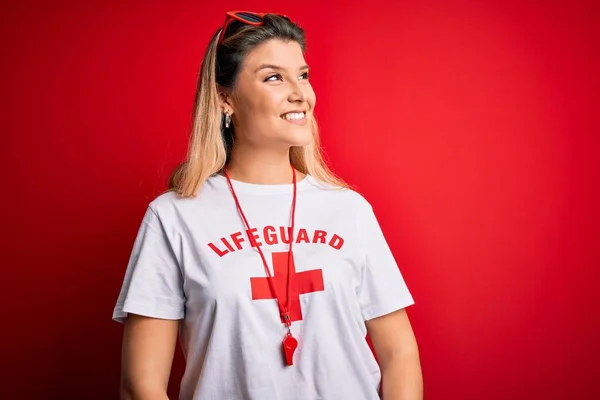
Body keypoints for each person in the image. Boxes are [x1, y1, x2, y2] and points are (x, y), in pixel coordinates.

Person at [112, 11, 423, 400]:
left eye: (303, 75)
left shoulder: (350, 209)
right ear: (226, 99)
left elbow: (400, 354)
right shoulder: (174, 216)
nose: (300, 93)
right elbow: (141, 384)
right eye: (274, 77)